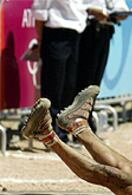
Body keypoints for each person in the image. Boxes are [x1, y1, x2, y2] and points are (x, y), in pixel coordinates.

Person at [31, 0, 89, 143]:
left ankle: (63, 130)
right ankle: (49, 132)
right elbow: (39, 12)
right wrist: (40, 40)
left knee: (69, 85)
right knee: (54, 85)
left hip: (75, 34)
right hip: (56, 34)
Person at [77, 0, 130, 132]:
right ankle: (76, 122)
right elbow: (74, 5)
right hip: (85, 30)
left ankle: (86, 119)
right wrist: (90, 10)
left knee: (95, 81)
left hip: (104, 31)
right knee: (83, 79)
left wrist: (121, 12)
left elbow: (117, 4)